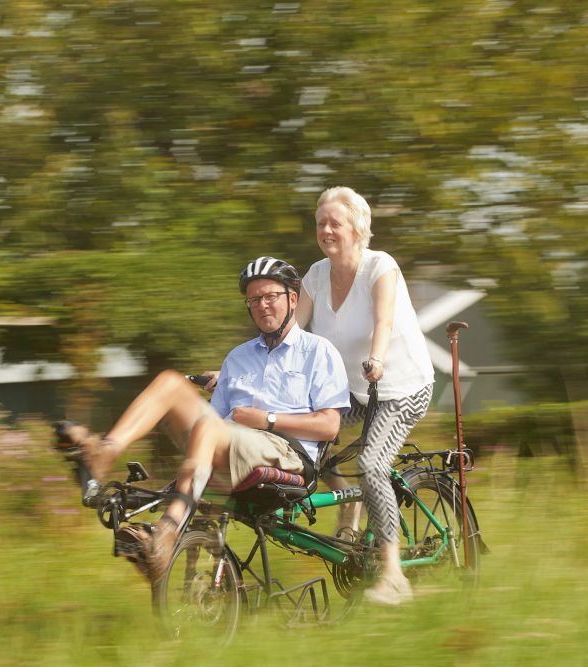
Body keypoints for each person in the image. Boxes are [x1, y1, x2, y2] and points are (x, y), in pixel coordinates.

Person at [66, 256, 351, 582]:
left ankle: (167, 532)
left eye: (270, 296)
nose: (262, 306)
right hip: (228, 443)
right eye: (254, 300)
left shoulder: (318, 351)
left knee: (209, 427)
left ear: (292, 300)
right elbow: (212, 422)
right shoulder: (238, 357)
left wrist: (267, 419)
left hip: (287, 453)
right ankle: (105, 452)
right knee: (169, 382)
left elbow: (329, 426)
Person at [295, 186, 435, 606]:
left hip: (400, 387)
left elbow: (383, 321)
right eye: (320, 222)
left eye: (334, 222)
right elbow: (292, 336)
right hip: (354, 390)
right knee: (300, 436)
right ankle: (348, 505)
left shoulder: (380, 266)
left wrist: (376, 357)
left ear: (357, 227)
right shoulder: (316, 276)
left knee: (373, 463)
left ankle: (393, 575)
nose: (326, 229)